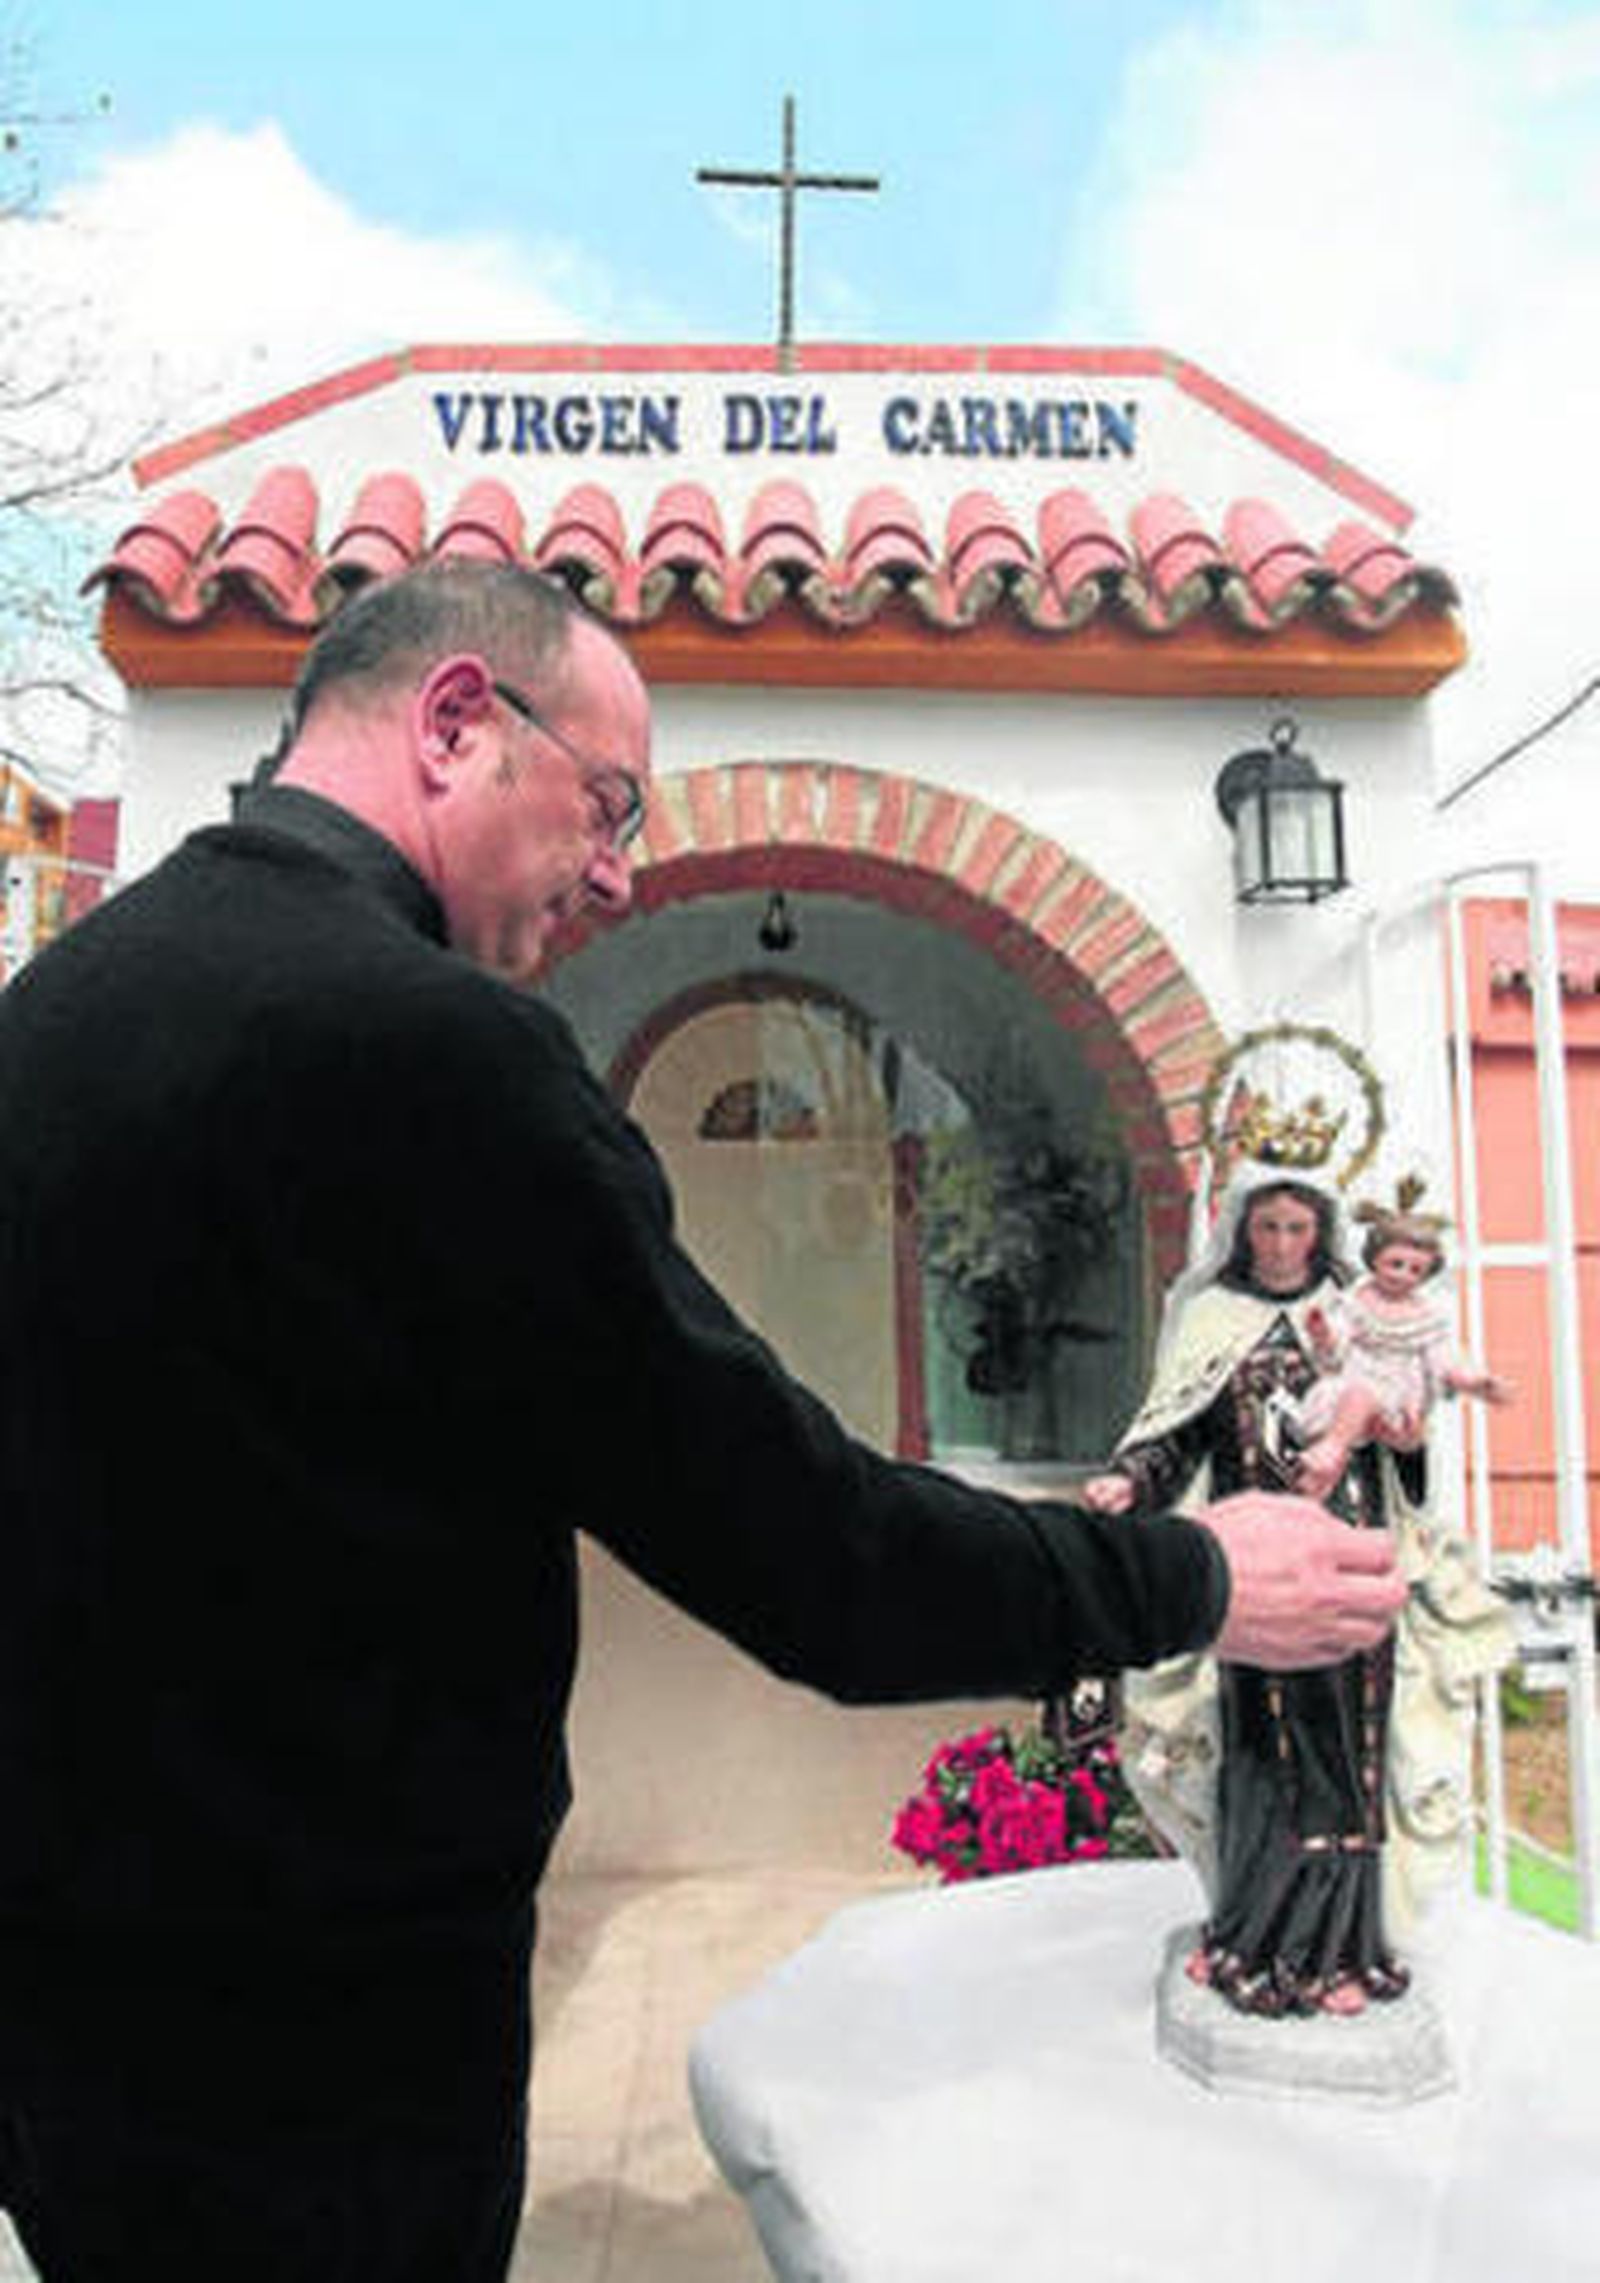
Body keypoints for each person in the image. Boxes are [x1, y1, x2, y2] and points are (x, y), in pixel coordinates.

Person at [0, 561, 1405, 2281]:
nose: (618, 870)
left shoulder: (48, 1018)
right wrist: (1194, 1573)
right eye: (607, 803)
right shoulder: (440, 1053)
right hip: (327, 2050)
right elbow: (815, 1558)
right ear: (456, 721)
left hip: (63, 2027)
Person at [1083, 1164, 1509, 2022]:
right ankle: (1249, 1936)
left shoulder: (1357, 1314)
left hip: (1348, 1555)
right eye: (1268, 1227)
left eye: (1298, 1228)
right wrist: (1131, 1479)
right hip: (1251, 1567)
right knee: (1258, 1749)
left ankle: (1347, 1948)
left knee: (1349, 1752)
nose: (1282, 1244)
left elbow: (1406, 1434)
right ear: (1243, 1231)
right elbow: (1176, 1431)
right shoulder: (1211, 1316)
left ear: (1324, 1233)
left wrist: (1406, 1433)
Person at [1291, 1190, 1512, 1499]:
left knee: (1367, 1407)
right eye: (1396, 1264)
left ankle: (1331, 1451)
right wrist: (1323, 1332)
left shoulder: (1426, 1317)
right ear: (1374, 1260)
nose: (1404, 1276)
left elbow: (1444, 1360)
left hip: (1397, 1399)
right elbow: (1337, 1338)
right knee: (1357, 1399)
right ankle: (1320, 1477)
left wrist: (1476, 1383)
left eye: (1416, 1270)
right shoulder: (1355, 1302)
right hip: (1351, 1391)